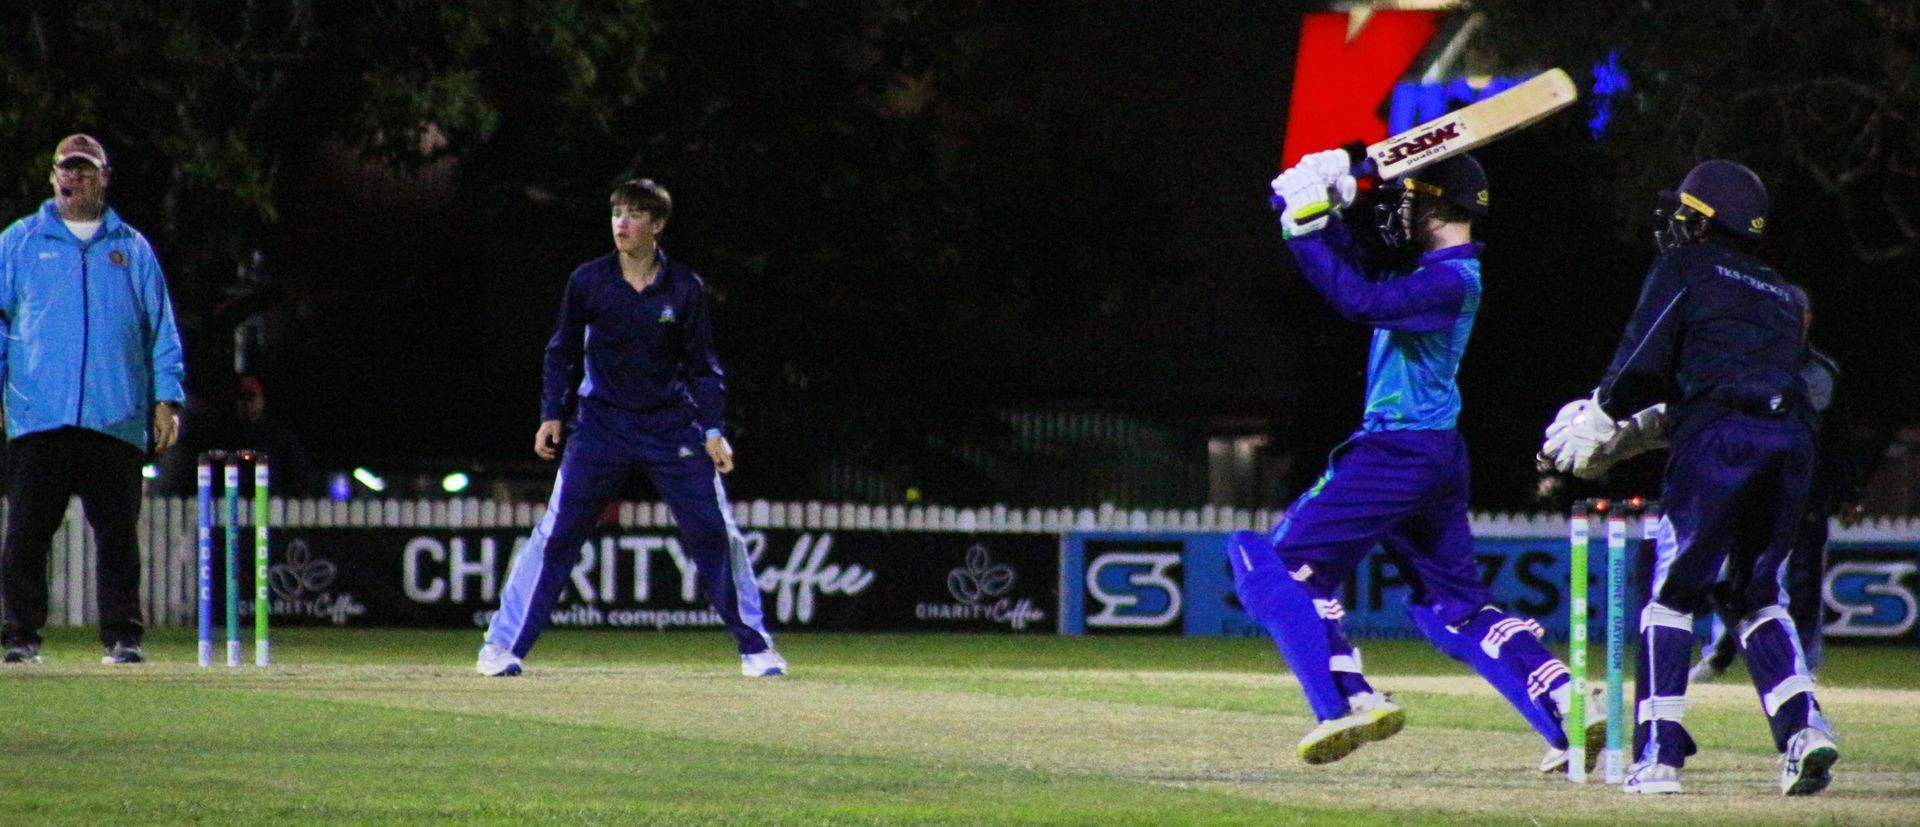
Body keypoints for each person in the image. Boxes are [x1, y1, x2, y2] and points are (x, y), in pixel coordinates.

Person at [1234, 150, 1600, 773]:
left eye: (1408, 199)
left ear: (1436, 203)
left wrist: (1304, 229)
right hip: (1434, 453)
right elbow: (1357, 271)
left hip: (1396, 449)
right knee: (1449, 607)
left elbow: (1357, 299)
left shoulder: (1452, 279)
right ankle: (1563, 700)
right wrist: (1323, 208)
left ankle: (1344, 701)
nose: (1397, 211)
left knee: (1269, 563)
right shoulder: (1434, 271)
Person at [1540, 160, 1837, 796]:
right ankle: (1803, 729)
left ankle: (1658, 757)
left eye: (1685, 210)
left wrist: (1601, 417)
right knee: (1759, 595)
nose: (1675, 221)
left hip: (1720, 441)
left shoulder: (1686, 266)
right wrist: (1642, 430)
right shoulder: (1780, 294)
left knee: (1671, 595)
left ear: (1705, 219)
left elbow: (1643, 356)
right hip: (1793, 439)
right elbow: (1739, 381)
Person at [475, 178, 782, 678]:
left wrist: (712, 430)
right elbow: (562, 351)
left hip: (671, 428)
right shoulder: (589, 281)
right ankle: (502, 646)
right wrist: (552, 413)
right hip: (602, 426)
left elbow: (703, 368)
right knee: (558, 534)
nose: (622, 223)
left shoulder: (684, 288)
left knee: (715, 531)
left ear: (656, 225)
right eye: (617, 213)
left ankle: (756, 649)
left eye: (635, 214)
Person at [0, 133, 185, 664]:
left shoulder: (133, 247)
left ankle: (122, 636)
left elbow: (160, 329)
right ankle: (20, 636)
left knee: (118, 538)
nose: (74, 177)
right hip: (39, 414)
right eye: (67, 168)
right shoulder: (19, 242)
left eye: (85, 170)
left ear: (104, 178)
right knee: (27, 534)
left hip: (115, 415)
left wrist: (166, 399)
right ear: (52, 175)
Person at [1691, 285, 1860, 681]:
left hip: (1806, 490)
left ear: (1808, 319)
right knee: (1733, 573)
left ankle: (1804, 666)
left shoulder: (1823, 372)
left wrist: (1849, 491)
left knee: (1804, 577)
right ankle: (1719, 654)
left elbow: (1839, 436)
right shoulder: (1744, 364)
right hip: (1749, 485)